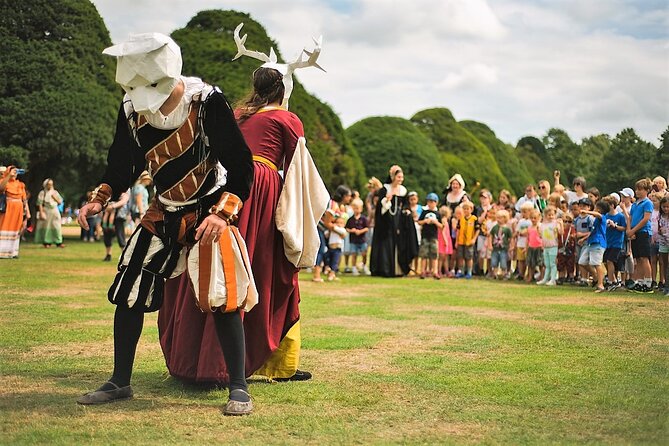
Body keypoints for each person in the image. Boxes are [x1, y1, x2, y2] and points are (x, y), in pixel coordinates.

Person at [75, 33, 255, 415]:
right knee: (129, 290)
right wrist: (101, 195)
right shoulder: (130, 108)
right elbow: (123, 162)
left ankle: (239, 388)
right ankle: (120, 380)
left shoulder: (206, 101)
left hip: (208, 210)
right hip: (162, 211)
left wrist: (222, 214)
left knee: (221, 296)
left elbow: (241, 164)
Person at [159, 32, 329, 387]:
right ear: (284, 89)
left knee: (211, 267)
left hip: (222, 190)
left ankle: (194, 361)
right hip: (260, 191)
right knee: (266, 271)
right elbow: (299, 171)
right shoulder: (287, 120)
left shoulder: (236, 114)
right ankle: (270, 365)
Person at [370, 165, 418, 277]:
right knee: (387, 243)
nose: (401, 179)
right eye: (399, 177)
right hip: (387, 221)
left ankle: (399, 269)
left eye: (402, 177)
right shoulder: (385, 189)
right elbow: (379, 208)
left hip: (399, 220)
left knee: (400, 242)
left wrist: (406, 210)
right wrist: (387, 200)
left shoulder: (403, 190)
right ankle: (385, 269)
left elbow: (406, 205)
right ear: (393, 177)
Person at [622, 178, 654, 293]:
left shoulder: (647, 203)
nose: (637, 191)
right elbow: (630, 217)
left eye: (640, 189)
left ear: (647, 190)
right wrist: (629, 230)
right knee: (638, 259)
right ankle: (640, 281)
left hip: (643, 232)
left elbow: (645, 219)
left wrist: (634, 229)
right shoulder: (635, 204)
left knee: (644, 258)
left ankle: (648, 282)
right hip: (635, 232)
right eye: (636, 189)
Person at [579, 200, 609, 292]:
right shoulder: (596, 220)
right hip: (591, 242)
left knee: (597, 263)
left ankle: (600, 285)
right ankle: (596, 277)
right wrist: (584, 239)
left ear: (599, 210)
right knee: (582, 262)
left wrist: (587, 212)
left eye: (595, 208)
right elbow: (593, 231)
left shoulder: (602, 217)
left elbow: (599, 215)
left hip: (598, 243)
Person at [0, 166, 29, 259]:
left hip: (18, 209)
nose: (14, 173)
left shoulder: (20, 184)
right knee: (5, 225)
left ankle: (13, 252)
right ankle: (2, 251)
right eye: (13, 171)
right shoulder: (4, 181)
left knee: (17, 228)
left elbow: (24, 199)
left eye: (16, 172)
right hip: (8, 207)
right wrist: (8, 176)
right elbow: (1, 188)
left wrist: (27, 211)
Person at [603, 195, 627, 291]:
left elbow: (624, 228)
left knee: (610, 260)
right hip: (607, 242)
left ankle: (611, 281)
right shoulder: (605, 216)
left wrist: (615, 226)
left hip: (617, 243)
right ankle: (613, 279)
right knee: (605, 261)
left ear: (612, 205)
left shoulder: (620, 216)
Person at [417, 193, 443, 279]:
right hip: (425, 236)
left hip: (434, 237)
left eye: (433, 202)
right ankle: (423, 271)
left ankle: (435, 271)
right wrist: (425, 221)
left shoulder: (438, 213)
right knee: (424, 255)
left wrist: (435, 222)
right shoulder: (424, 212)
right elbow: (419, 221)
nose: (431, 204)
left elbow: (442, 226)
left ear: (436, 203)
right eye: (429, 202)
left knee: (434, 255)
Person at [34, 178, 64, 248]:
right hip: (46, 210)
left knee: (56, 226)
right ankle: (46, 242)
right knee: (46, 226)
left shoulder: (55, 192)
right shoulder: (42, 193)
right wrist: (41, 212)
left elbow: (60, 202)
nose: (50, 186)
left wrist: (54, 198)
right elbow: (40, 203)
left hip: (54, 210)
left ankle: (58, 241)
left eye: (51, 184)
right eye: (48, 184)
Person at [102, 189, 130, 261]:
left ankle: (124, 256)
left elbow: (124, 200)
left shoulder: (126, 189)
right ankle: (108, 254)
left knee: (120, 235)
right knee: (107, 235)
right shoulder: (110, 187)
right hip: (108, 214)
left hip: (119, 216)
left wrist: (112, 206)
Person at [345, 198, 370, 275]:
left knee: (364, 254)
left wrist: (360, 231)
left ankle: (365, 266)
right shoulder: (350, 219)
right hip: (353, 240)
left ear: (361, 209)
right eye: (355, 208)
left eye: (358, 208)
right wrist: (351, 230)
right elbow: (346, 228)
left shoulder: (364, 218)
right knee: (354, 254)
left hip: (362, 240)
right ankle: (354, 268)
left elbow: (367, 228)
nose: (356, 210)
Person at [537, 206, 561, 286]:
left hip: (553, 246)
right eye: (548, 215)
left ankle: (553, 279)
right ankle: (545, 279)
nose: (550, 216)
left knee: (552, 264)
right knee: (547, 264)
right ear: (545, 215)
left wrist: (560, 224)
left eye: (552, 215)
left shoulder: (555, 224)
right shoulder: (542, 225)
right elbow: (540, 235)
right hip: (546, 247)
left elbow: (560, 232)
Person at [455, 201, 479, 279]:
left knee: (469, 257)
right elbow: (458, 230)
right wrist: (456, 241)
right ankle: (461, 271)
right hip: (461, 241)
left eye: (467, 209)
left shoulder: (474, 219)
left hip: (469, 242)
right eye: (464, 209)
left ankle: (469, 271)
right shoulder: (461, 219)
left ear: (471, 209)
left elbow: (477, 230)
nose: (466, 210)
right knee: (460, 257)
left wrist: (474, 239)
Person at [488, 209, 512, 280]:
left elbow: (510, 238)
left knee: (503, 261)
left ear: (505, 219)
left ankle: (504, 274)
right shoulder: (495, 227)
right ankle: (495, 274)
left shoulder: (507, 229)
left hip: (504, 249)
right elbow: (490, 236)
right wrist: (489, 244)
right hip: (495, 248)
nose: (498, 219)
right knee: (494, 261)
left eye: (500, 218)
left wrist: (511, 245)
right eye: (497, 218)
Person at [326, 214, 347, 281]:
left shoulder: (342, 230)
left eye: (341, 223)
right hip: (331, 248)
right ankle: (330, 271)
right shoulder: (332, 230)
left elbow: (342, 232)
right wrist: (330, 230)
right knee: (327, 258)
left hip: (337, 249)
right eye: (337, 222)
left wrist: (333, 227)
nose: (338, 224)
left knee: (335, 262)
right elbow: (326, 234)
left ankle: (332, 274)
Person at [525, 209, 543, 283]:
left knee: (540, 263)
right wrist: (526, 247)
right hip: (531, 247)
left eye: (535, 218)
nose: (533, 220)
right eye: (531, 218)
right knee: (530, 264)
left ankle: (542, 277)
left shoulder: (540, 227)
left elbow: (542, 237)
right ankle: (530, 276)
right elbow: (527, 238)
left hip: (539, 247)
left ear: (539, 218)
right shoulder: (529, 228)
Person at [657, 196, 669, 296]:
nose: (665, 209)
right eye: (664, 207)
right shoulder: (660, 217)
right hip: (663, 242)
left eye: (667, 207)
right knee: (664, 264)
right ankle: (665, 284)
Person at [437, 205, 453, 277]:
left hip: (446, 239)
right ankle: (439, 271)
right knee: (441, 257)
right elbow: (443, 231)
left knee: (445, 257)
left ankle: (446, 271)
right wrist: (445, 240)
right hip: (443, 240)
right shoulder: (443, 220)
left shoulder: (445, 220)